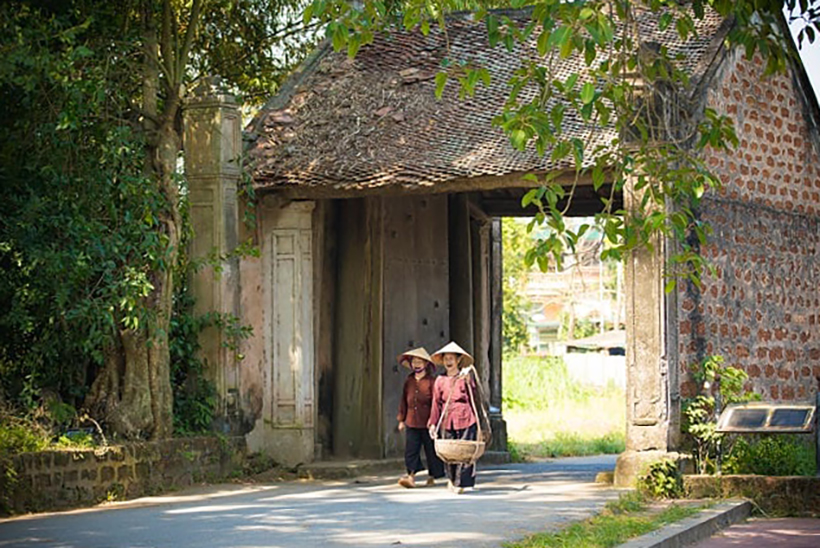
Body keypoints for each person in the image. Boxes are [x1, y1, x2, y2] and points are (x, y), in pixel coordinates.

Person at [428, 341, 480, 494]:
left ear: (458, 360)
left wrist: (468, 379)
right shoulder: (439, 380)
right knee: (449, 453)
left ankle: (461, 483)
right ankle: (452, 479)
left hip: (465, 417)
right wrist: (432, 424)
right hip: (447, 419)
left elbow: (474, 396)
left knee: (465, 452)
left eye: (452, 358)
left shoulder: (465, 377)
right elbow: (436, 403)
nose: (448, 361)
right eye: (446, 358)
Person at [396, 347, 445, 488]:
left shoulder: (431, 381)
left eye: (420, 361)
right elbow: (404, 400)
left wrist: (435, 421)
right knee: (411, 450)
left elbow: (436, 402)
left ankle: (432, 476)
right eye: (414, 361)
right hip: (411, 420)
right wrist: (401, 419)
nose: (417, 364)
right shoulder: (409, 380)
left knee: (431, 450)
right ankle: (410, 476)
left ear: (425, 364)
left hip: (428, 422)